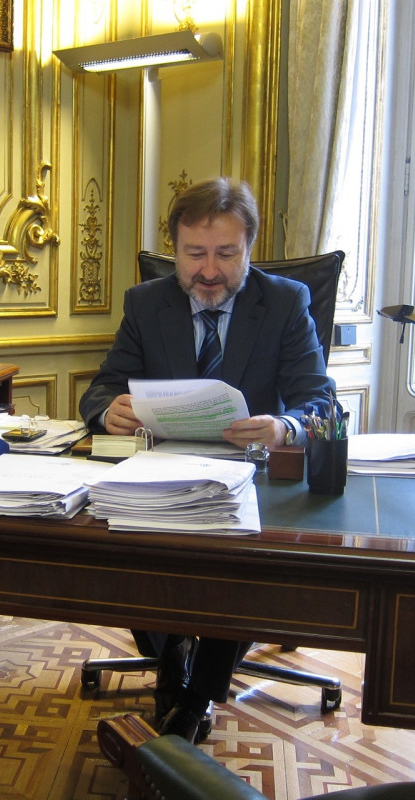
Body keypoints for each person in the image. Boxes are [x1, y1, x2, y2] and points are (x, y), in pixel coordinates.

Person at [78, 177, 336, 743]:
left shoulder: (285, 302)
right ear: (174, 250)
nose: (209, 271)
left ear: (250, 249)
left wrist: (283, 427)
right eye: (195, 254)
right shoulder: (146, 302)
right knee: (124, 540)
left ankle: (195, 694)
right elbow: (101, 388)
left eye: (227, 254)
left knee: (237, 563)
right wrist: (107, 410)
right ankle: (170, 654)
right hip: (161, 471)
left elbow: (320, 402)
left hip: (250, 477)